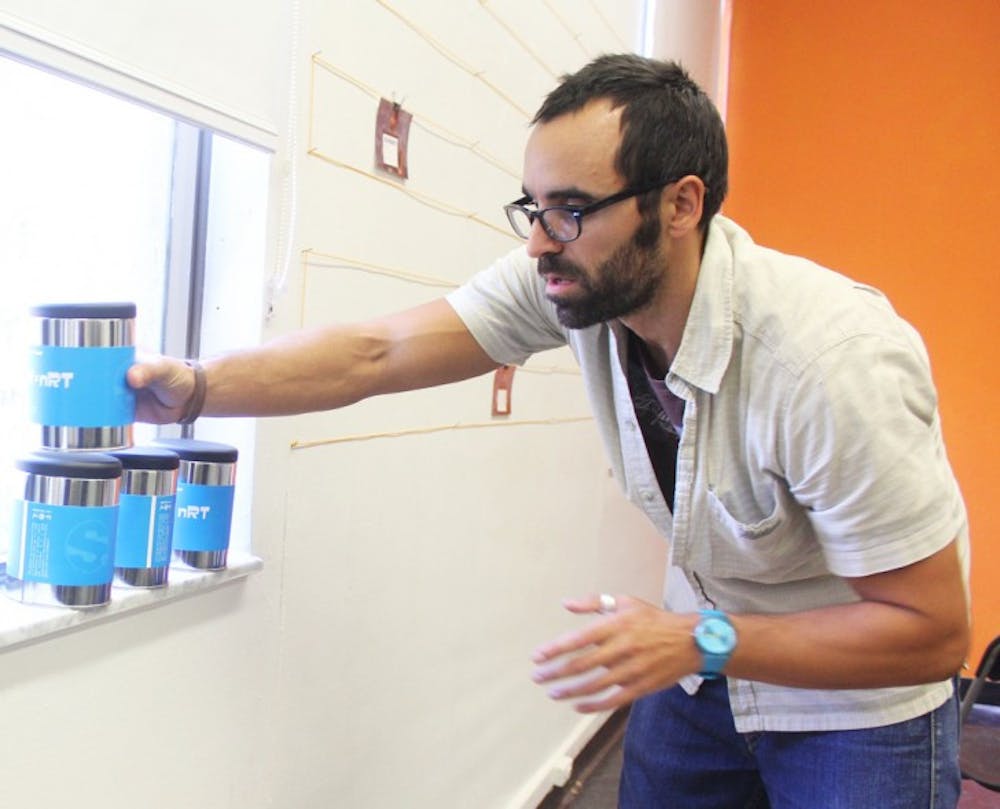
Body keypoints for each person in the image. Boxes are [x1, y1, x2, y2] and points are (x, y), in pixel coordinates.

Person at [128, 54, 971, 808]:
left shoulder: (830, 362)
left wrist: (695, 641)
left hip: (854, 699)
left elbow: (929, 630)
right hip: (695, 661)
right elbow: (375, 352)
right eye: (533, 207)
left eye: (569, 210)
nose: (537, 243)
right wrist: (197, 388)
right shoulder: (576, 279)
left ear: (681, 205)